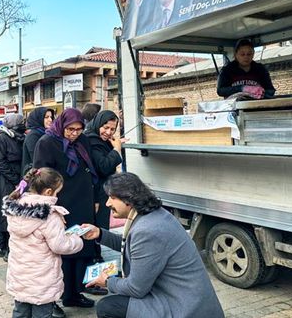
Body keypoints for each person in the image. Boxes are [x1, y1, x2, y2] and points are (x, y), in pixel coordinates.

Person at [82, 173, 224, 318]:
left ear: (128, 199)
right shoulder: (153, 215)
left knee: (107, 307)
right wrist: (100, 234)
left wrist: (107, 282)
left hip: (185, 308)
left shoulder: (147, 230)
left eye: (112, 198)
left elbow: (136, 289)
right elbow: (133, 247)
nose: (107, 203)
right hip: (181, 297)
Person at [33, 108, 98, 312]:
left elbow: (90, 169)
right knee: (59, 251)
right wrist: (51, 208)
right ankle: (54, 300)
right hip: (61, 204)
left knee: (80, 246)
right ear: (62, 125)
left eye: (78, 129)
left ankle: (73, 293)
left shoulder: (82, 141)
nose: (74, 133)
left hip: (83, 202)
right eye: (70, 129)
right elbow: (41, 177)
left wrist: (94, 199)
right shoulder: (46, 142)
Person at [4, 167, 84, 318]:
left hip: (20, 276)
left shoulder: (16, 207)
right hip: (42, 279)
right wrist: (76, 240)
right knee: (42, 314)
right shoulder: (49, 215)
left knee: (20, 311)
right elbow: (59, 245)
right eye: (57, 192)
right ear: (48, 192)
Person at [83, 111, 124, 278]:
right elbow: (103, 167)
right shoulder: (92, 141)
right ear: (98, 124)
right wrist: (116, 150)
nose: (108, 132)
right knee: (96, 232)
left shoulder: (101, 141)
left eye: (112, 129)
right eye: (105, 127)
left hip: (102, 193)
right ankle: (94, 273)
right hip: (95, 195)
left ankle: (98, 268)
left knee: (100, 231)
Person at [0, 114, 26, 261]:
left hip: (18, 180)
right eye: (21, 122)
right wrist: (15, 179)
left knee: (15, 213)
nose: (23, 124)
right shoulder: (2, 138)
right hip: (6, 181)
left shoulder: (20, 138)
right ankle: (3, 246)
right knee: (6, 212)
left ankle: (5, 245)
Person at [21, 107, 54, 174]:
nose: (50, 120)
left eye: (51, 117)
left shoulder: (47, 133)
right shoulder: (33, 135)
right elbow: (36, 158)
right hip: (34, 176)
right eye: (46, 117)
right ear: (39, 118)